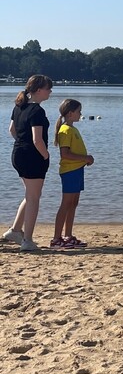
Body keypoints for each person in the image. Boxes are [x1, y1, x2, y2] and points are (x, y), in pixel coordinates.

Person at [2, 75, 53, 252]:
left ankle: (15, 231)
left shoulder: (19, 107)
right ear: (38, 90)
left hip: (18, 154)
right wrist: (46, 155)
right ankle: (27, 240)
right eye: (48, 88)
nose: (50, 92)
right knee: (33, 198)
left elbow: (12, 130)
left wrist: (22, 143)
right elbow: (37, 140)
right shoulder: (37, 111)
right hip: (32, 157)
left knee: (31, 195)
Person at [50, 99, 95, 249]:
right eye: (78, 111)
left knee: (73, 203)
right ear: (70, 113)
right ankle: (56, 238)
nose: (80, 114)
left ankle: (68, 236)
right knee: (66, 203)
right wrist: (85, 158)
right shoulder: (65, 130)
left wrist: (84, 160)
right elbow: (65, 154)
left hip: (77, 170)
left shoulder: (72, 129)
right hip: (69, 171)